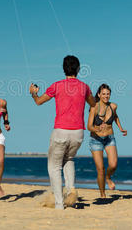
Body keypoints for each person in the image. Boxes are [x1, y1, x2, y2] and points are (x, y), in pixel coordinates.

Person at [29, 55, 95, 209]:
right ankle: (71, 189)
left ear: (63, 69)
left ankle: (59, 203)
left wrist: (33, 92)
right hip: (78, 132)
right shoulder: (84, 87)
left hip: (61, 131)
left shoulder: (57, 85)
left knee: (54, 167)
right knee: (69, 159)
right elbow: (93, 104)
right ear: (78, 69)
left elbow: (38, 101)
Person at [87, 84, 127, 198]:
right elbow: (89, 126)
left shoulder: (113, 106)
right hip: (96, 140)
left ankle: (108, 177)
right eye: (103, 94)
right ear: (99, 95)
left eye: (108, 94)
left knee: (113, 165)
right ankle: (103, 194)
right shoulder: (94, 107)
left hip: (109, 138)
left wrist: (120, 128)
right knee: (100, 169)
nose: (106, 96)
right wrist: (97, 128)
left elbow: (115, 117)